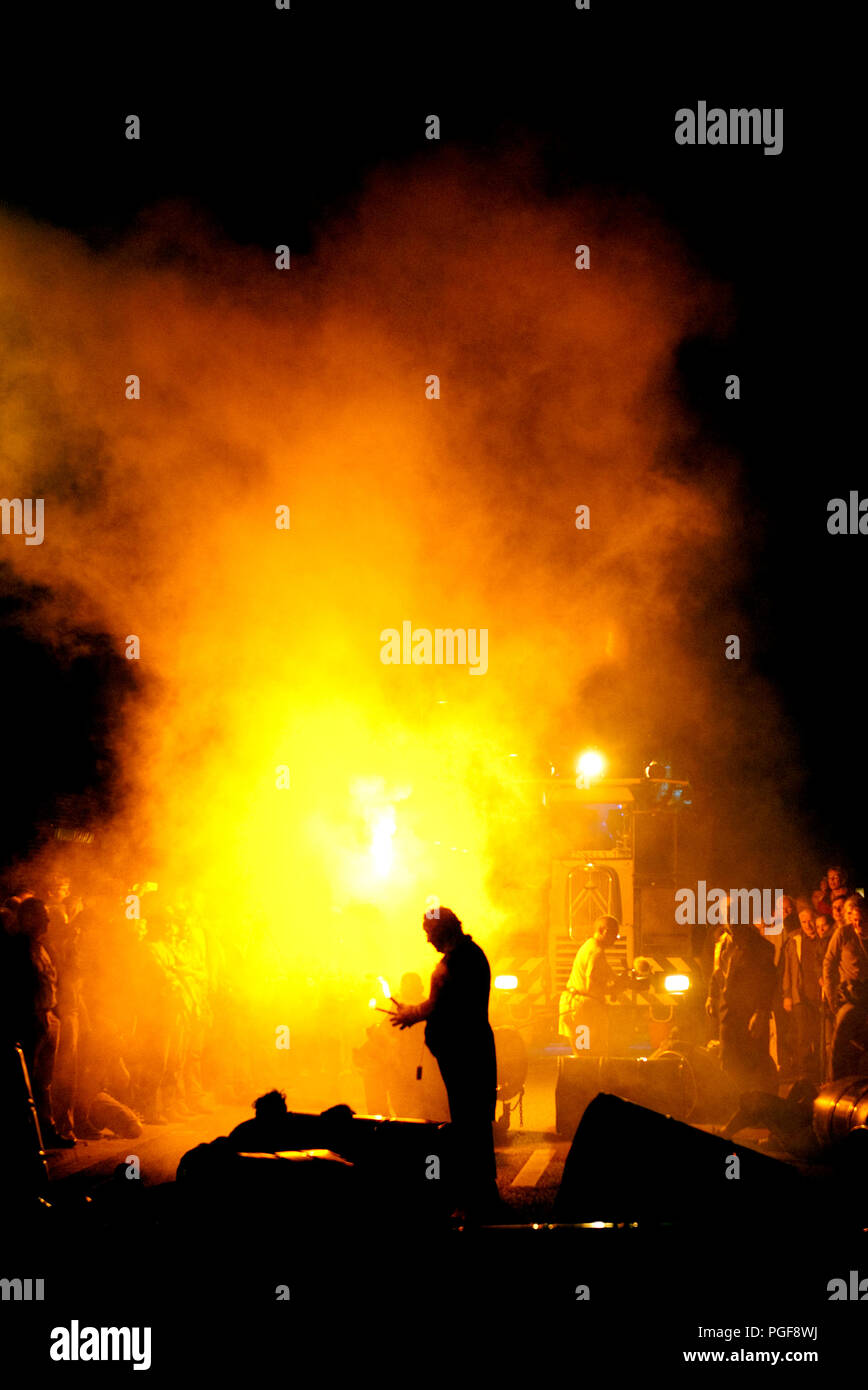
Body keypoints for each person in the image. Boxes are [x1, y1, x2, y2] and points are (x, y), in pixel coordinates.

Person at [390, 907, 498, 1221]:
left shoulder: (460, 960)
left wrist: (412, 1013)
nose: (426, 939)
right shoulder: (470, 955)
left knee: (468, 1120)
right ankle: (480, 1192)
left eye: (428, 932)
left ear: (442, 929)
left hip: (465, 1052)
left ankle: (475, 1197)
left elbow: (442, 1004)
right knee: (472, 1119)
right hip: (469, 1049)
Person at [718, 916, 777, 1092]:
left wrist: (761, 1011)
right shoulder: (723, 943)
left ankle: (759, 1103)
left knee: (754, 1060)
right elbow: (718, 973)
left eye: (731, 915)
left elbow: (768, 981)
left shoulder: (760, 947)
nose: (728, 921)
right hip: (728, 1011)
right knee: (728, 1058)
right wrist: (712, 997)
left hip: (750, 1012)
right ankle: (736, 1100)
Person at [560, 915, 624, 1056]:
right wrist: (613, 989)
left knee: (585, 1055)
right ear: (605, 931)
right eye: (615, 934)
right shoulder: (596, 953)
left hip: (579, 1008)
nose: (615, 939)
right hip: (583, 1011)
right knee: (586, 1056)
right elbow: (591, 987)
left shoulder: (589, 946)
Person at [823, 894, 868, 1080]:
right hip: (850, 998)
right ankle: (835, 1083)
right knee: (840, 1040)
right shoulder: (843, 933)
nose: (858, 925)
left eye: (862, 921)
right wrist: (832, 997)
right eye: (855, 920)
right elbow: (828, 963)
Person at [781, 903, 825, 1079]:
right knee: (802, 1036)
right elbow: (788, 971)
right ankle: (804, 1074)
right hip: (801, 996)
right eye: (804, 922)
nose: (808, 925)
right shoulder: (795, 941)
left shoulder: (824, 938)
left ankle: (820, 1072)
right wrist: (787, 995)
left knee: (820, 1036)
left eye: (811, 921)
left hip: (820, 996)